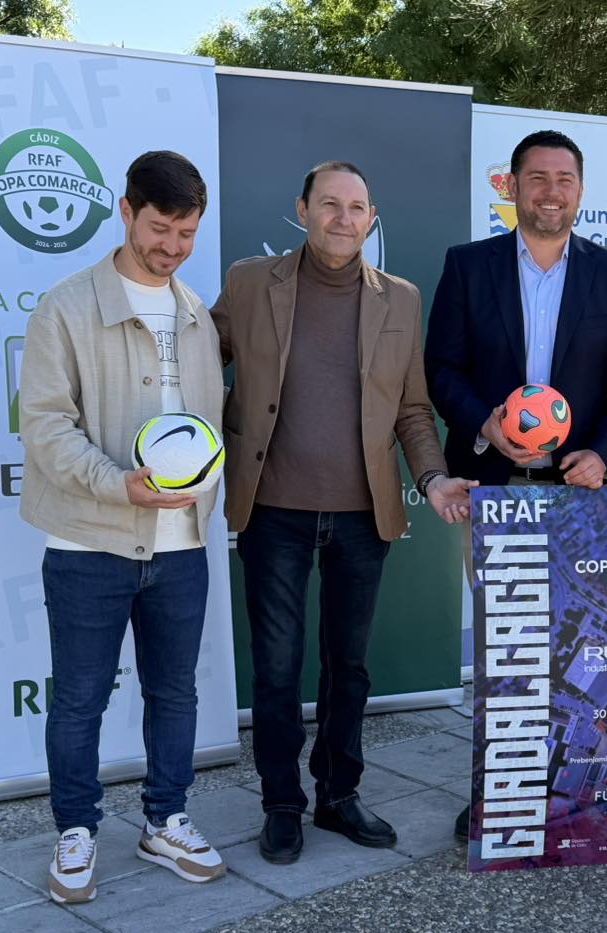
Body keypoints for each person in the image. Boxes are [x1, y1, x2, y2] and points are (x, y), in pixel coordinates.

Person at [212, 161, 475, 865]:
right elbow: (199, 364)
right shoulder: (249, 283)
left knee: (348, 666)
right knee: (276, 668)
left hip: (362, 515)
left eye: (357, 207)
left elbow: (412, 408)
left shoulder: (401, 299)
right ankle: (281, 803)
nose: (343, 218)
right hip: (273, 509)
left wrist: (434, 477)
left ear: (372, 218)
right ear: (302, 210)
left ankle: (336, 793)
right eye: (329, 204)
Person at [425, 129, 607, 840]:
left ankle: (573, 787)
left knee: (582, 647)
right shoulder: (468, 266)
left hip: (580, 494)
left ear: (580, 191)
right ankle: (502, 791)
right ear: (513, 187)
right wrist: (483, 426)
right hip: (496, 488)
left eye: (565, 179)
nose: (552, 192)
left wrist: (604, 456)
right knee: (509, 651)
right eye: (538, 179)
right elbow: (441, 369)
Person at [20, 151, 227, 904]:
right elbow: (46, 427)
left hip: (184, 545)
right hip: (89, 542)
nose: (172, 246)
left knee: (175, 693)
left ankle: (166, 819)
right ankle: (76, 830)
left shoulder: (198, 314)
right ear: (127, 211)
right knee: (80, 700)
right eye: (160, 227)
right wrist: (119, 486)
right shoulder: (65, 308)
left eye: (187, 232)